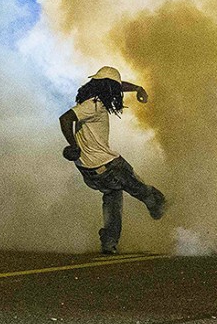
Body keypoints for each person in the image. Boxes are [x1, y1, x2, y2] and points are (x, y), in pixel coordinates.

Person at [59, 66, 166, 254]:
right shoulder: (94, 104)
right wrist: (73, 145)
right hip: (109, 166)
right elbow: (65, 118)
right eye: (114, 89)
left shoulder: (89, 101)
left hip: (89, 172)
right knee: (143, 191)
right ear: (107, 88)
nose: (117, 94)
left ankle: (109, 243)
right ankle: (164, 209)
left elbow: (116, 86)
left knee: (113, 201)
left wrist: (137, 88)